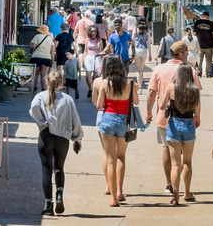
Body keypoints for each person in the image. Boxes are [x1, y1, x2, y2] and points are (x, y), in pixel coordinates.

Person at [146, 41, 202, 194]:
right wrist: (197, 116)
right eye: (186, 53)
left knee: (167, 150)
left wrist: (149, 112)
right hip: (187, 117)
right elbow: (197, 94)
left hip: (165, 118)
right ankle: (186, 190)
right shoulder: (190, 71)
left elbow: (151, 92)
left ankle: (169, 183)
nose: (188, 55)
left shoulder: (159, 69)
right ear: (181, 54)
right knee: (185, 158)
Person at [30, 71, 84, 216]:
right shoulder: (67, 99)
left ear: (47, 81)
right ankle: (59, 194)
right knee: (59, 167)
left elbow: (33, 109)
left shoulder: (40, 97)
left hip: (45, 136)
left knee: (46, 170)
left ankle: (48, 204)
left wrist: (43, 123)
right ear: (61, 83)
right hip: (62, 138)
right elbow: (75, 120)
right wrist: (77, 138)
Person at [95, 55, 139, 207]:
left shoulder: (105, 84)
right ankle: (120, 190)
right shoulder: (130, 83)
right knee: (121, 157)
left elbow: (99, 106)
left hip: (107, 120)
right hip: (123, 121)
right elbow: (137, 102)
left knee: (110, 158)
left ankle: (113, 197)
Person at [158, 63, 200, 205]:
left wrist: (170, 105)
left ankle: (175, 197)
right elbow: (197, 113)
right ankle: (187, 193)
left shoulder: (171, 87)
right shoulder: (195, 90)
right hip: (189, 124)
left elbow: (161, 106)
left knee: (175, 164)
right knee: (187, 162)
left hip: (174, 124)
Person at [30, 25, 56, 91]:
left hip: (36, 56)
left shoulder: (37, 36)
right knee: (44, 74)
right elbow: (52, 51)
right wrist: (52, 60)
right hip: (47, 57)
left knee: (36, 73)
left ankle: (35, 87)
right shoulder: (49, 39)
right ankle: (44, 88)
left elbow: (32, 45)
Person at [193, 11, 213, 77]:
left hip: (200, 45)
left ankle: (199, 73)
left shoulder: (197, 22)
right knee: (209, 60)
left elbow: (194, 33)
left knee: (200, 59)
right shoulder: (211, 23)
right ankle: (208, 74)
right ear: (207, 16)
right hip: (209, 45)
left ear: (202, 16)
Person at [84, 26, 104, 98]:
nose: (93, 33)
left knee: (96, 76)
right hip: (89, 57)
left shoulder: (99, 40)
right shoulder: (87, 40)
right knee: (87, 74)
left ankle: (95, 90)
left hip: (97, 56)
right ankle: (90, 89)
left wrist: (99, 47)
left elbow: (102, 51)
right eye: (92, 31)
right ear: (89, 32)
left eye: (95, 31)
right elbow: (85, 51)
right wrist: (83, 60)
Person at [132, 23, 152, 89]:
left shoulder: (135, 31)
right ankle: (140, 84)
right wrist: (150, 54)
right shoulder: (147, 33)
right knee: (141, 69)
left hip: (137, 50)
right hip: (144, 50)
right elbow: (148, 43)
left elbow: (132, 41)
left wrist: (132, 51)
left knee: (138, 70)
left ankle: (139, 86)